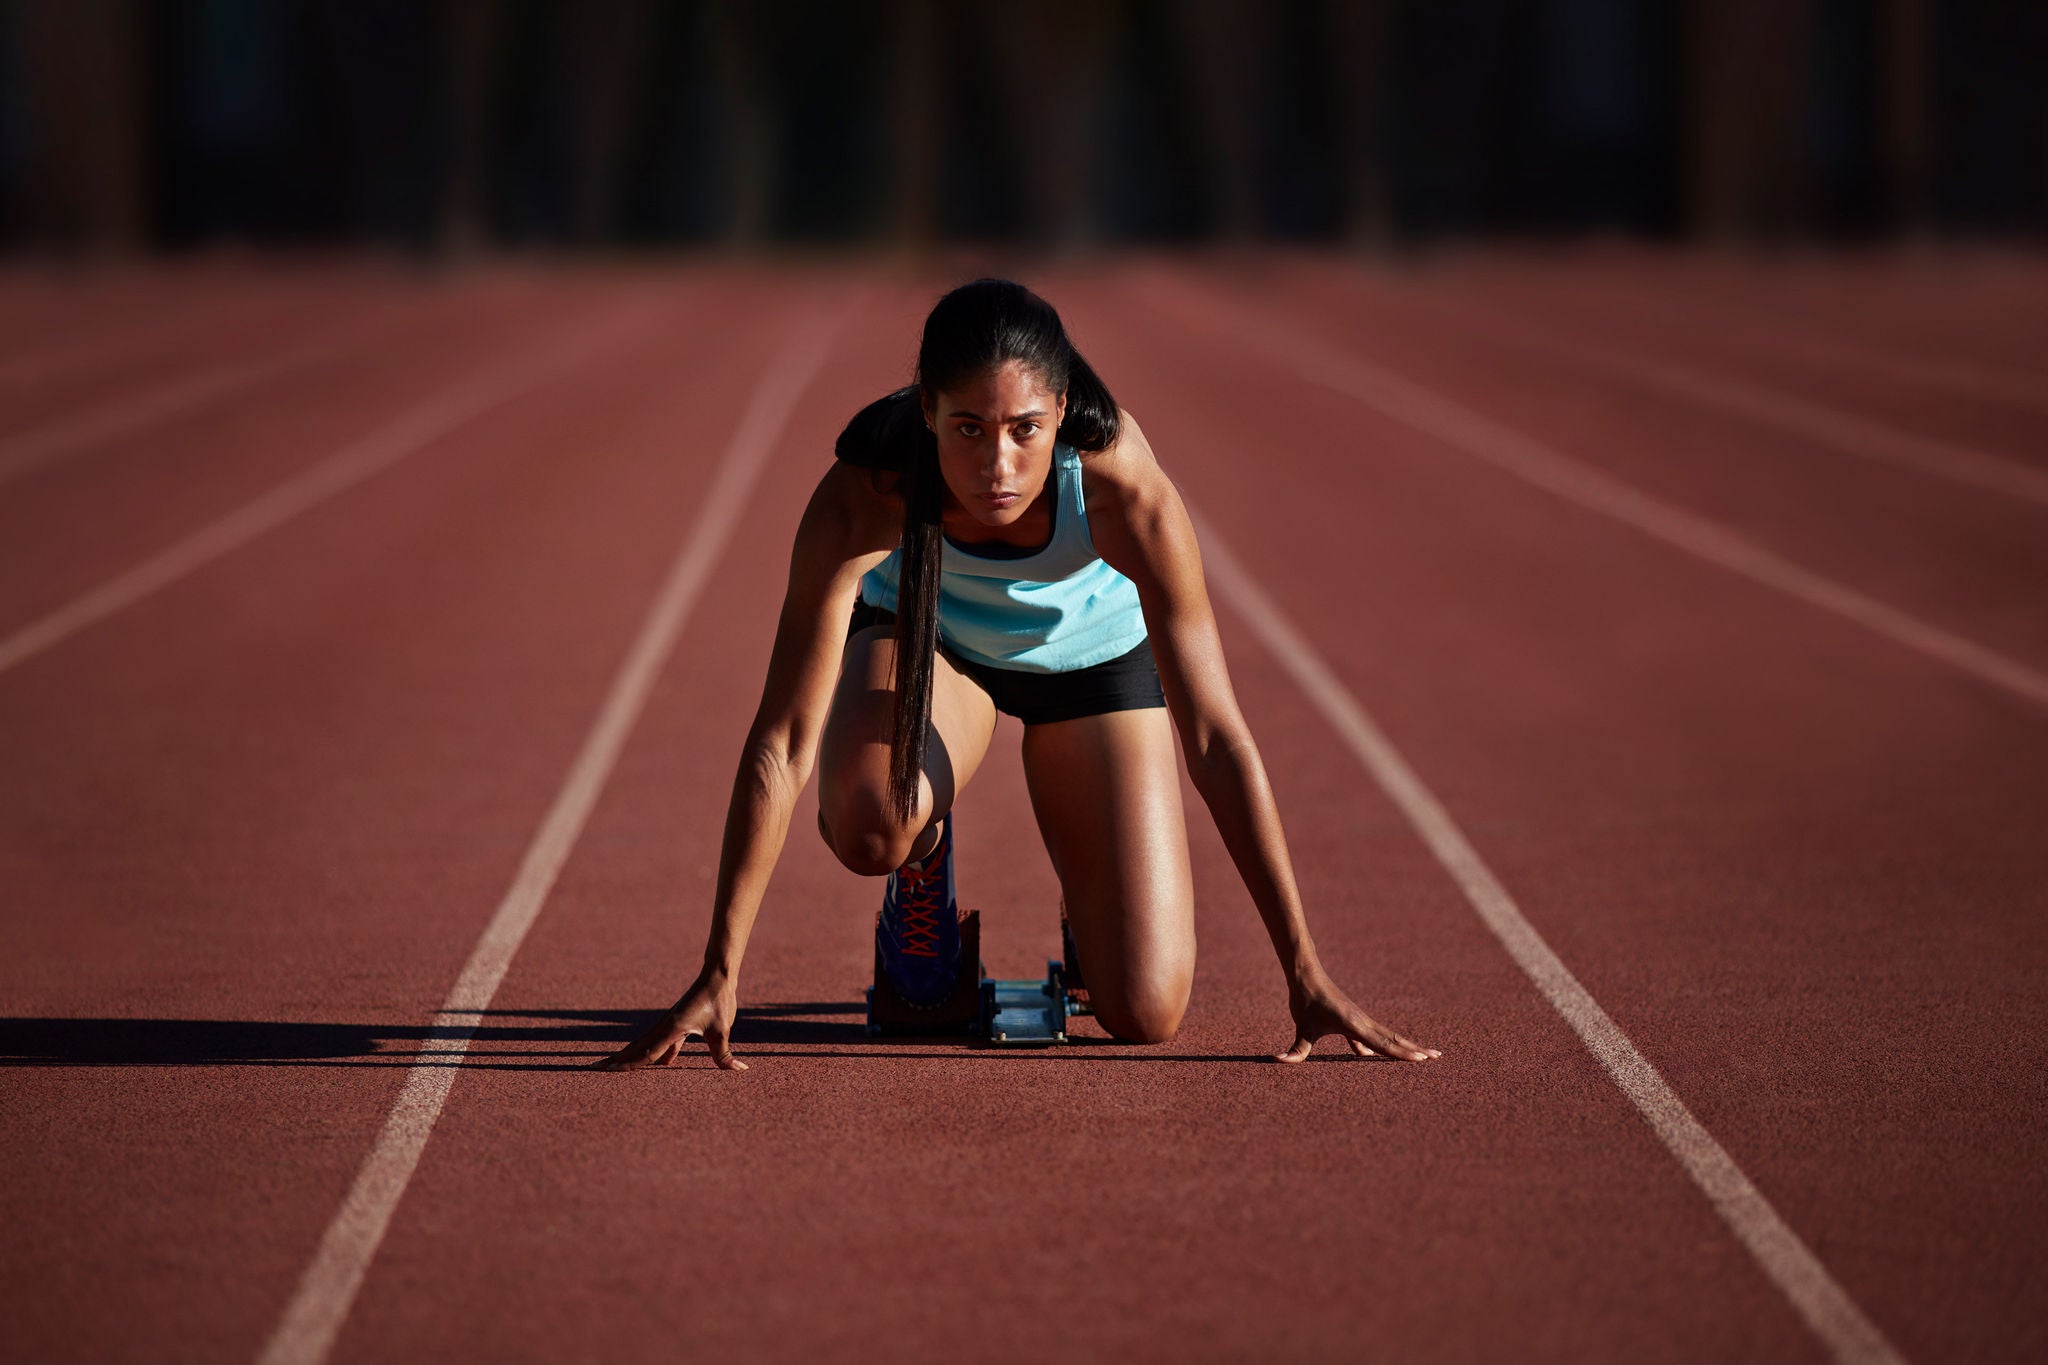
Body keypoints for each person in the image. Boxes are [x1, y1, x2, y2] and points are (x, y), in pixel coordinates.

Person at [600, 278, 1438, 1071]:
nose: (997, 464)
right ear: (927, 410)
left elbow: (1217, 736)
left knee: (1146, 1013)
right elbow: (783, 742)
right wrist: (720, 969)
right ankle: (922, 857)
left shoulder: (1124, 491)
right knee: (866, 821)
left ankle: (1092, 887)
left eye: (1024, 430)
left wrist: (1304, 968)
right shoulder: (868, 491)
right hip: (930, 646)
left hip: (1095, 662)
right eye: (968, 428)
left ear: (1062, 412)